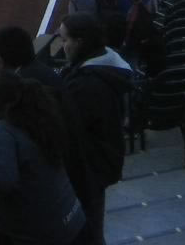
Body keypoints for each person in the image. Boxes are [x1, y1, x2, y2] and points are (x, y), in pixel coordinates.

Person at [0, 71, 86, 245]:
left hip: (42, 232)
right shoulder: (36, 120)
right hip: (73, 220)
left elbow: (2, 180)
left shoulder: (2, 129)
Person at [55, 13, 131, 245]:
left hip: (88, 169)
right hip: (98, 166)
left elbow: (64, 126)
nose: (62, 46)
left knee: (87, 232)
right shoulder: (105, 66)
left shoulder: (86, 84)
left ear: (79, 42)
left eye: (65, 39)